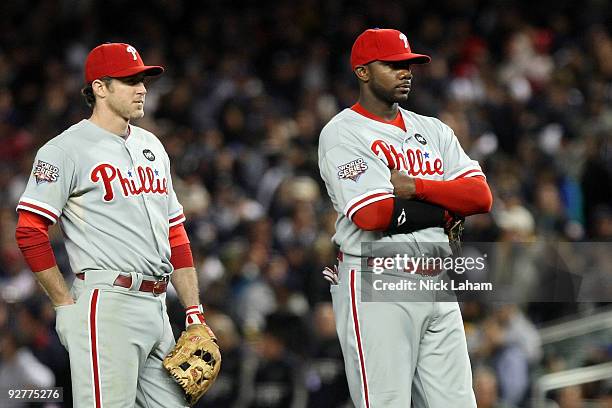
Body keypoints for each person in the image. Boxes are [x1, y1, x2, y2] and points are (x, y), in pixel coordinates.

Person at [14, 42, 217, 407]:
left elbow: (175, 232)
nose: (142, 89)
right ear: (99, 88)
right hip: (107, 304)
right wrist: (63, 303)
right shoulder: (64, 149)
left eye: (143, 80)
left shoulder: (151, 144)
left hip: (158, 308)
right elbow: (29, 230)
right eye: (129, 81)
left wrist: (193, 312)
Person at [318, 28, 492, 407]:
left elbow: (480, 197)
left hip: (437, 281)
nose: (406, 72)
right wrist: (448, 207)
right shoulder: (343, 132)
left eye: (409, 65)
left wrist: (415, 188)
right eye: (393, 65)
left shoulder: (433, 129)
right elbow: (373, 213)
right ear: (362, 72)